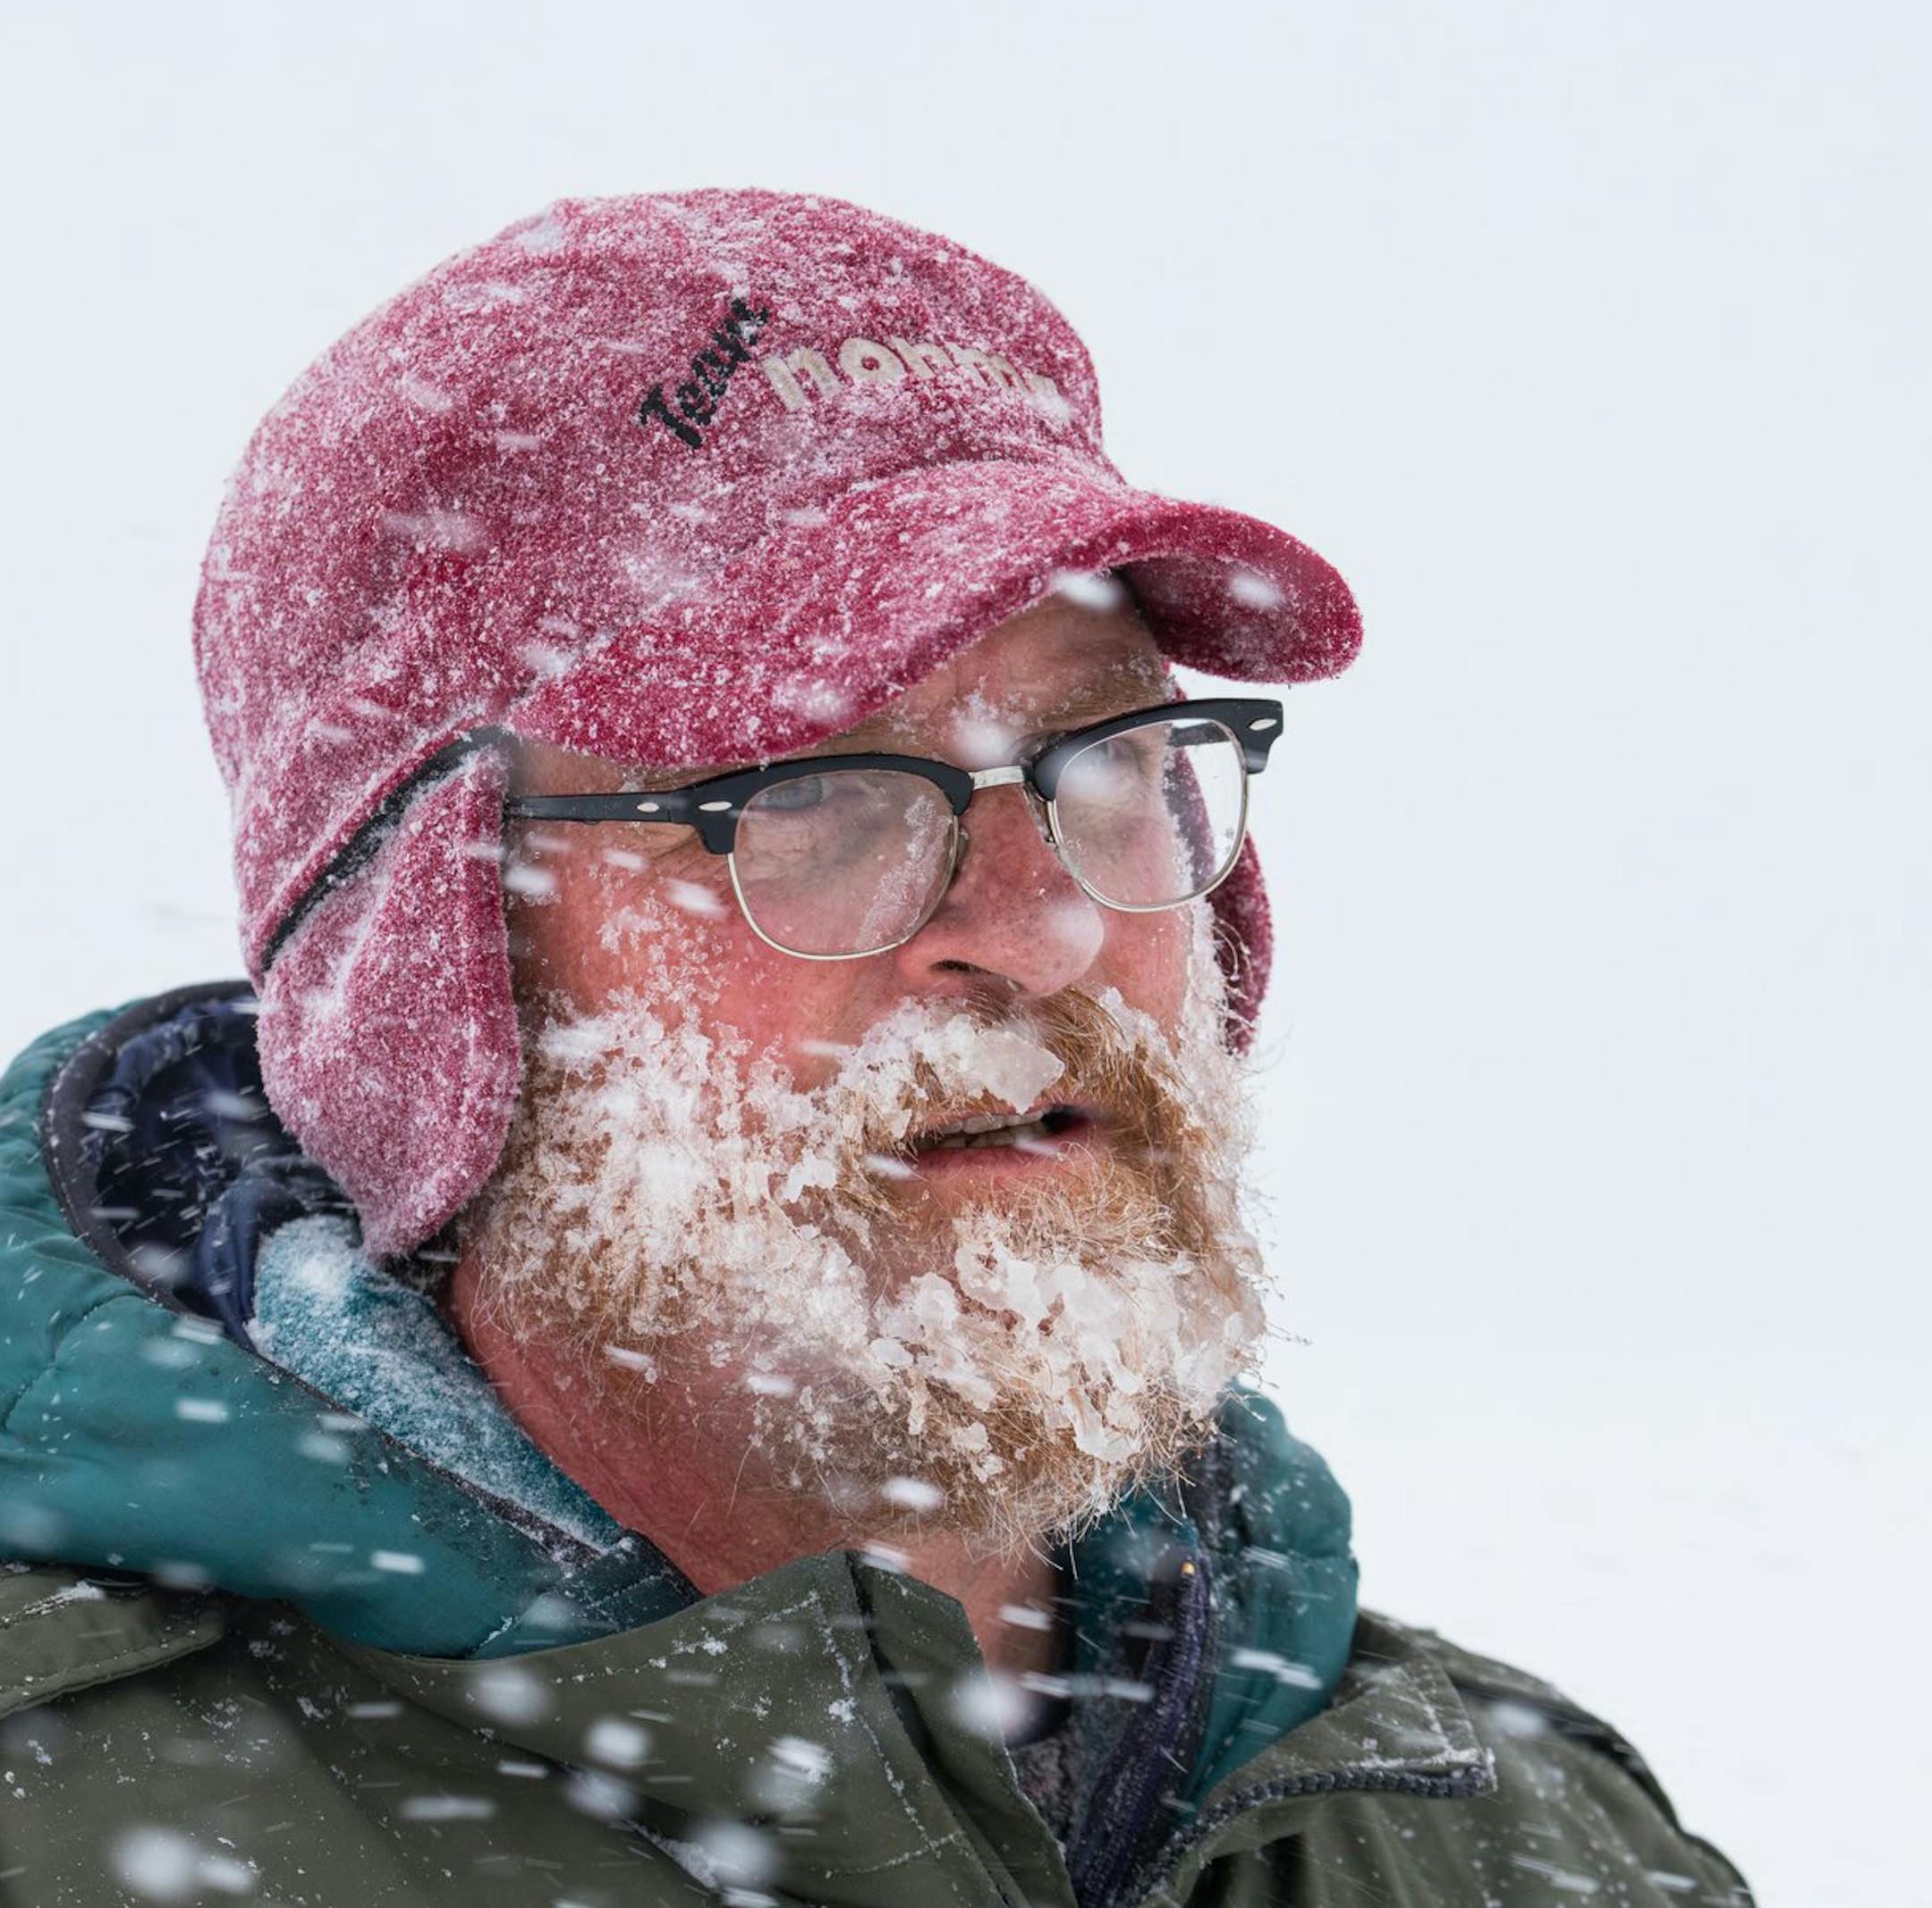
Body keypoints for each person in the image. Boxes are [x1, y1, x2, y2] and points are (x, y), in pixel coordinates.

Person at [0, 191, 1752, 1906]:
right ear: (423, 985)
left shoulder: (1518, 1845)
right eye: (815, 791)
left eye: (1107, 762)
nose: (1044, 922)